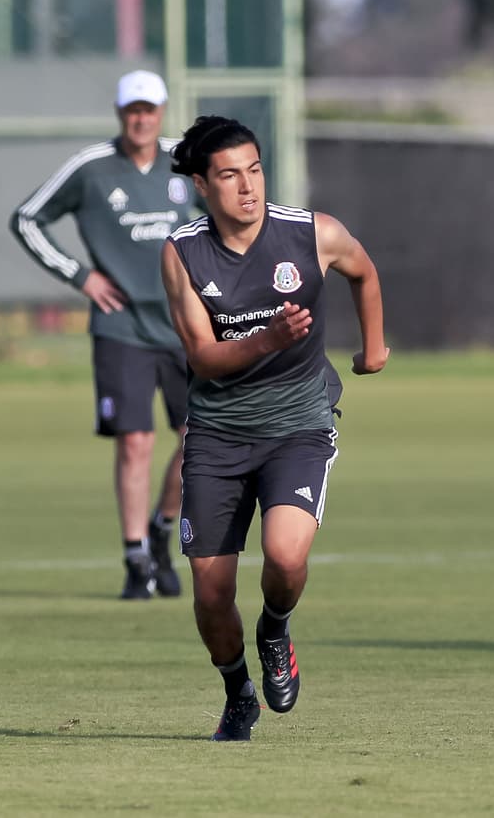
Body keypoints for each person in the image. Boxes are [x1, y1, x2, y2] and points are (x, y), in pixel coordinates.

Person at [161, 115, 388, 741]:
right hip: (216, 436)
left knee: (285, 559)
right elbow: (204, 358)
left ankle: (275, 630)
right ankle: (238, 693)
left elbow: (364, 271)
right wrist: (267, 338)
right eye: (230, 175)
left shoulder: (313, 232)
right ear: (204, 186)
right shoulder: (182, 253)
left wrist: (374, 348)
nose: (248, 186)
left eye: (255, 170)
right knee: (210, 595)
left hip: (299, 425)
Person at [10, 70, 199, 600]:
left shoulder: (186, 162)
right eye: (132, 109)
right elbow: (27, 219)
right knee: (135, 442)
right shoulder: (92, 168)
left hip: (186, 325)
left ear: (161, 111)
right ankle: (135, 556)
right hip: (121, 326)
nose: (141, 118)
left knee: (200, 441)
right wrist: (81, 275)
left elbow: (229, 221)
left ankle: (163, 530)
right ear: (120, 113)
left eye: (150, 109)